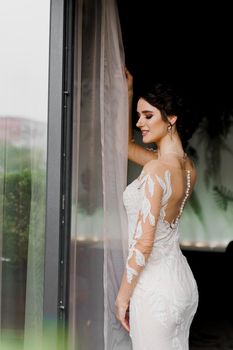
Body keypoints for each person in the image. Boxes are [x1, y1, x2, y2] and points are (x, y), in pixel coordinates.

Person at [115, 68, 199, 349]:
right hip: (182, 285)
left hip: (155, 290)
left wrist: (123, 296)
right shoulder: (187, 168)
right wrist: (128, 93)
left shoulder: (155, 169)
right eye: (139, 115)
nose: (140, 122)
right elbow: (125, 146)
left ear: (171, 117)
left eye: (148, 115)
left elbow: (144, 242)